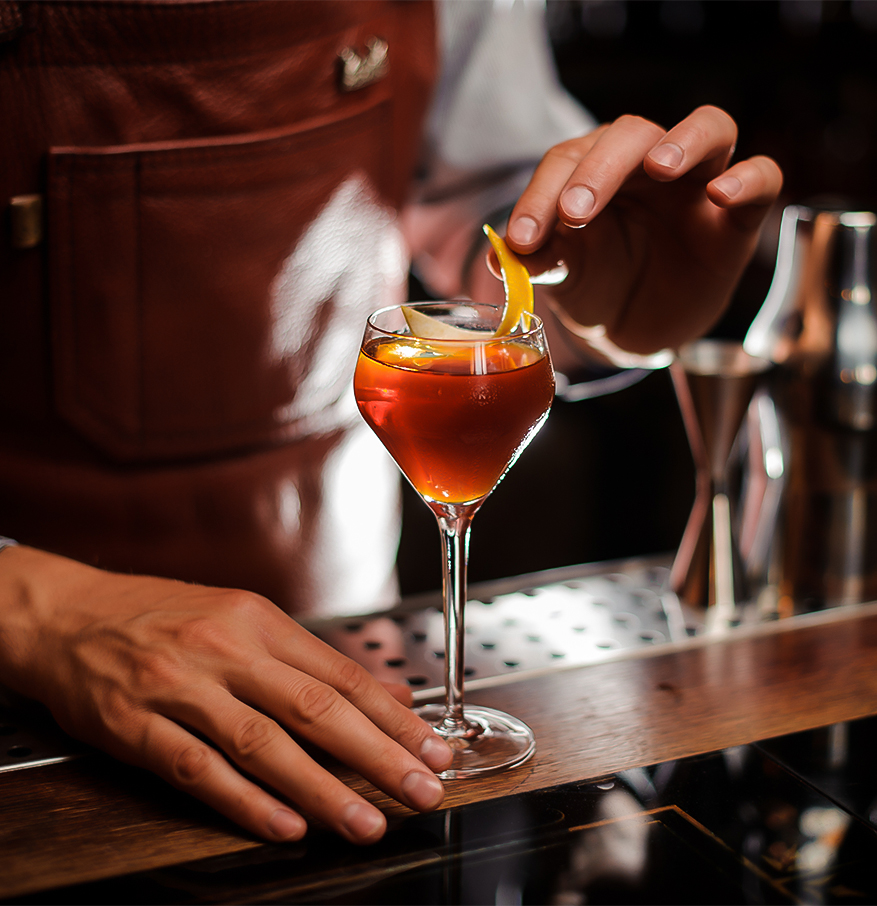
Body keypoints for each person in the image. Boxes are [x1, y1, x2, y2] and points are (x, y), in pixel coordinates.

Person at [0, 0, 782, 846]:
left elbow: (490, 247)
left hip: (345, 700)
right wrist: (34, 609)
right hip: (34, 725)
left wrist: (595, 300)